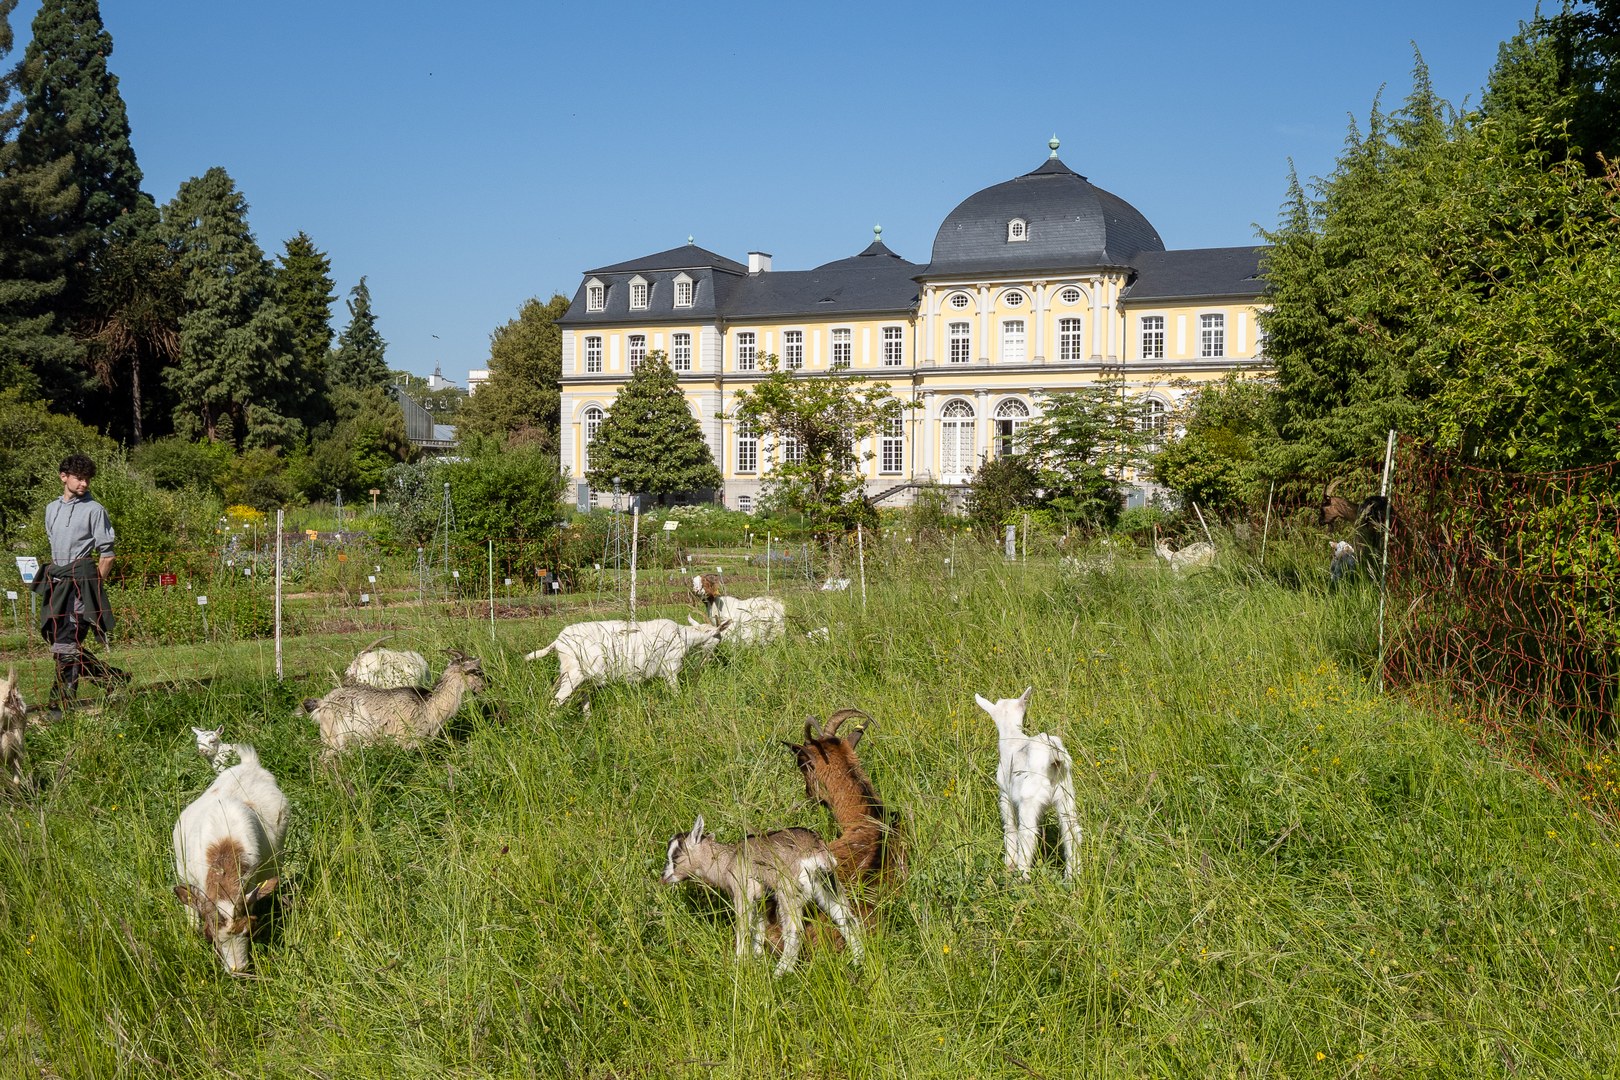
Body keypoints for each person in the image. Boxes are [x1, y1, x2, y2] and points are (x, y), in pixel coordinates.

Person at [34, 453, 128, 717]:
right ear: (63, 476)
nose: (85, 484)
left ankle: (60, 707)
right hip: (56, 583)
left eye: (88, 479)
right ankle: (111, 679)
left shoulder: (94, 510)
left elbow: (107, 554)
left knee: (68, 643)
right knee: (56, 639)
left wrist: (91, 588)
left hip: (80, 585)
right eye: (79, 478)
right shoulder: (51, 508)